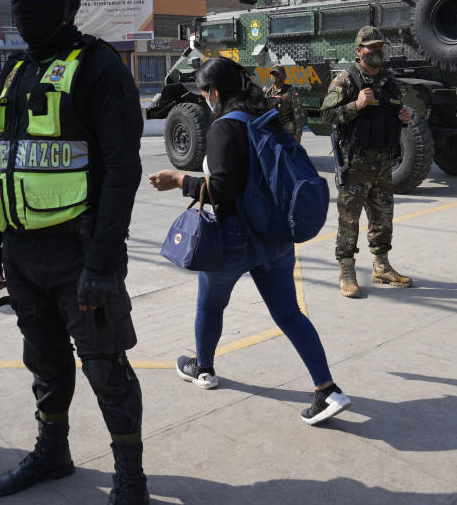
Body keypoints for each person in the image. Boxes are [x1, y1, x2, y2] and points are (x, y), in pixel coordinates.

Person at [0, 0, 148, 503]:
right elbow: (3, 158)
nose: (24, 6)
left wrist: (101, 262)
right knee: (45, 364)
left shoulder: (99, 68)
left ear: (67, 1)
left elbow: (123, 170)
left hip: (80, 254)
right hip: (23, 254)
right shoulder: (16, 69)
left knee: (106, 369)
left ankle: (130, 478)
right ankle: (53, 452)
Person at [148, 57, 352, 426]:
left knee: (210, 308)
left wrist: (179, 180)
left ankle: (204, 368)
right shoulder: (266, 119)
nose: (205, 99)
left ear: (215, 92)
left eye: (205, 92)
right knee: (289, 314)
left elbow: (223, 189)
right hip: (274, 236)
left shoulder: (223, 128)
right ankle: (327, 390)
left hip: (232, 241)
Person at [320, 26, 413, 298]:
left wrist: (403, 116)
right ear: (359, 51)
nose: (377, 52)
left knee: (383, 218)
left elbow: (394, 113)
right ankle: (347, 270)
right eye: (371, 48)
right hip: (356, 164)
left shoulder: (389, 81)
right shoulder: (346, 80)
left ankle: (381, 267)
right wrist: (355, 105)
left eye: (380, 48)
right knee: (349, 220)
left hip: (384, 164)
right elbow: (326, 116)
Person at [263, 65, 306, 142]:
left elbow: (299, 114)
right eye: (273, 74)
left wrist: (298, 134)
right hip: (272, 132)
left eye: (277, 74)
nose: (274, 76)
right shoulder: (267, 92)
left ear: (284, 76)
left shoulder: (291, 92)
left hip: (288, 133)